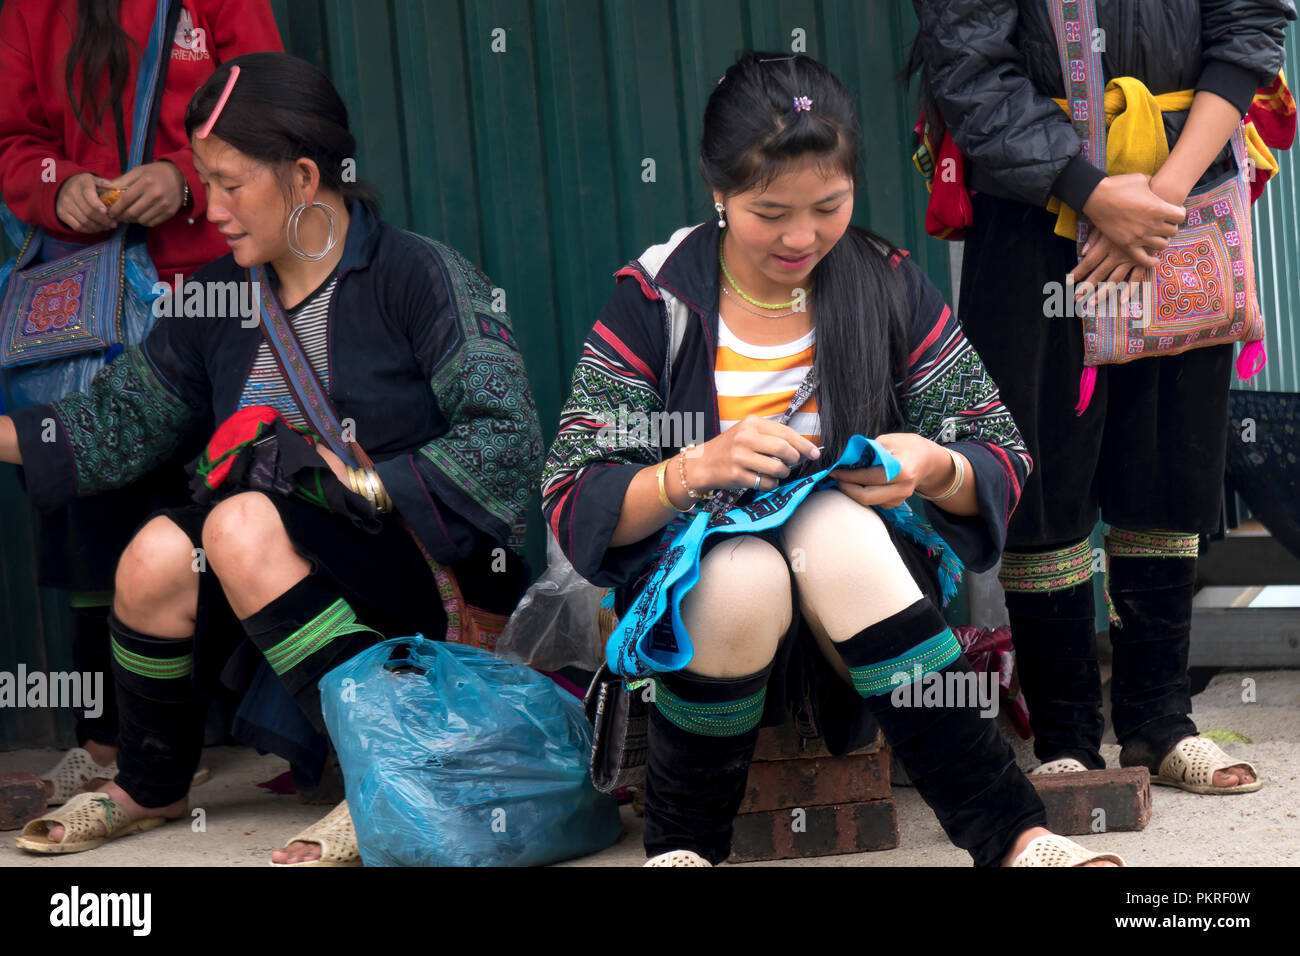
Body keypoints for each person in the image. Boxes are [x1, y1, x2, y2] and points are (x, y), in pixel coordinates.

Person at [542, 51, 1122, 867]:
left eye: (829, 205)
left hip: (870, 625)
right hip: (707, 638)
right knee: (741, 568)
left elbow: (998, 449)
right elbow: (572, 488)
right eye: (769, 210)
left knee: (832, 523)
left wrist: (930, 467)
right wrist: (691, 470)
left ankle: (1014, 834)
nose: (801, 237)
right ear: (717, 189)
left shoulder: (886, 285)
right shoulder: (657, 300)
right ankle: (682, 848)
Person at [3, 52, 543, 865]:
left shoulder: (417, 276)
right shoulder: (218, 300)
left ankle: (388, 774)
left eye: (229, 183)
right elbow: (108, 426)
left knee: (241, 520)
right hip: (280, 570)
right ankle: (153, 785)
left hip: (427, 575)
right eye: (204, 181)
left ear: (301, 176)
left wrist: (349, 483)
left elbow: (507, 439)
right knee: (155, 551)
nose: (210, 208)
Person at [912, 0, 1293, 792]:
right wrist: (1090, 192)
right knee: (1041, 475)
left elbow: (1250, 26)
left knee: (1168, 465)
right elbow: (969, 66)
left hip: (1182, 201)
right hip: (1033, 207)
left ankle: (1160, 722)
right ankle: (1067, 739)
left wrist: (1159, 200)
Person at [0, 0, 282, 807]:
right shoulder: (31, 9)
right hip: (88, 308)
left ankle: (212, 730)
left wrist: (185, 179)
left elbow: (268, 110)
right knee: (90, 501)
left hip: (208, 286)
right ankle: (108, 740)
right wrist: (65, 190)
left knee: (213, 501)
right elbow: (15, 143)